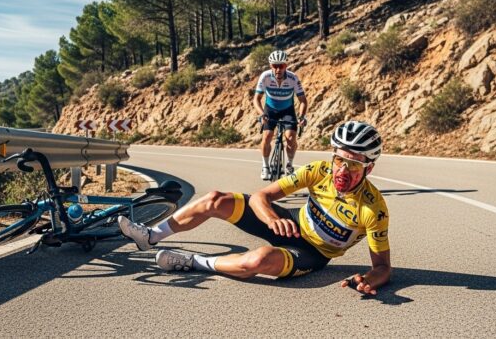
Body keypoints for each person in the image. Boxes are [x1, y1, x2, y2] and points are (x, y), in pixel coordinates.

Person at [118, 121, 390, 296]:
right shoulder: (319, 171)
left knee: (257, 261)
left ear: (369, 168)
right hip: (289, 222)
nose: (342, 170)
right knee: (216, 199)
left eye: (353, 165)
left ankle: (192, 262)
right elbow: (261, 196)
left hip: (313, 251)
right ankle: (151, 235)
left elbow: (382, 267)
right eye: (339, 160)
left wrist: (370, 280)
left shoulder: (373, 209)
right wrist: (272, 217)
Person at [254, 49, 308, 180]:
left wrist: (301, 117)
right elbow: (256, 99)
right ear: (270, 66)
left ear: (286, 65)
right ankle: (265, 166)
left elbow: (303, 101)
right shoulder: (265, 77)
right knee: (267, 136)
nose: (278, 69)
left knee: (290, 138)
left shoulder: (293, 78)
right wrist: (262, 114)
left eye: (281, 66)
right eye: (275, 66)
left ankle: (289, 165)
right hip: (270, 109)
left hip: (287, 110)